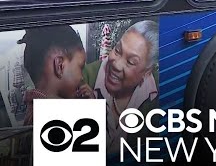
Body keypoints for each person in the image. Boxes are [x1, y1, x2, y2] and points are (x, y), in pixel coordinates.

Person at [80, 20, 159, 153]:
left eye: (131, 62)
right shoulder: (83, 78)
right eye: (117, 50)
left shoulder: (161, 88)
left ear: (147, 72)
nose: (116, 64)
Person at [18, 25, 87, 126]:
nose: (82, 77)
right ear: (60, 66)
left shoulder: (34, 112)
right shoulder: (59, 120)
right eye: (80, 67)